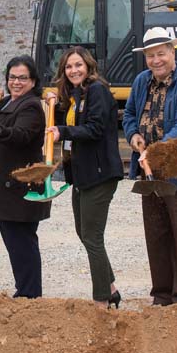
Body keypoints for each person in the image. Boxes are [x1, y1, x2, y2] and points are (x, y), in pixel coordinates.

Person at [122, 27, 177, 305]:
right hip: (152, 176)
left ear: (173, 52)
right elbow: (130, 114)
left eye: (161, 53)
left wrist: (157, 149)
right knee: (157, 238)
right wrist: (134, 135)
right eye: (150, 55)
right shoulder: (140, 82)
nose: (156, 60)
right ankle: (162, 296)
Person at [44, 46, 123, 308]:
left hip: (100, 174)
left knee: (92, 236)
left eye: (78, 65)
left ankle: (101, 300)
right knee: (84, 232)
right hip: (82, 174)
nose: (74, 70)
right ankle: (110, 288)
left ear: (88, 66)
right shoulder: (77, 95)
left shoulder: (97, 90)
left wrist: (63, 131)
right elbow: (68, 120)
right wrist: (51, 103)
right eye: (68, 67)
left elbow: (95, 128)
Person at [0, 55, 49, 298]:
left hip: (20, 186)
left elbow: (21, 135)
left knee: (22, 241)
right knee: (14, 240)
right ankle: (26, 290)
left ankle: (29, 294)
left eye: (22, 78)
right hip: (4, 187)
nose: (16, 82)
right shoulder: (6, 101)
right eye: (12, 78)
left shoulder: (31, 106)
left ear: (33, 81)